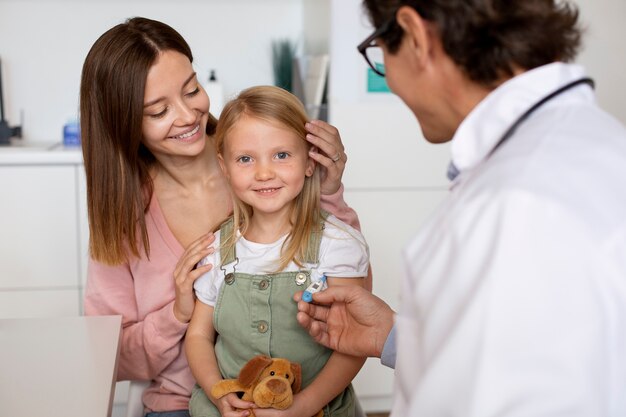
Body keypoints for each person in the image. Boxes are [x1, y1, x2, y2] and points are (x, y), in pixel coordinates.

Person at [296, 1, 626, 416]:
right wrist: (395, 336)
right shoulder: (593, 146)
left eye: (380, 53)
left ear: (414, 34)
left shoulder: (518, 205)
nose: (392, 84)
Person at [80, 17, 364, 417]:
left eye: (192, 90)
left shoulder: (262, 168)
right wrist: (178, 313)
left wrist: (330, 191)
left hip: (296, 396)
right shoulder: (123, 216)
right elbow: (108, 354)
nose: (187, 115)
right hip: (183, 403)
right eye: (159, 110)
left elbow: (348, 280)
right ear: (124, 124)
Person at [185, 85, 369, 417]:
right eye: (245, 159)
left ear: (310, 162)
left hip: (318, 410)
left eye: (281, 155)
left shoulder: (339, 244)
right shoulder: (217, 249)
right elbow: (198, 335)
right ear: (225, 167)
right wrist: (216, 392)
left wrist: (306, 405)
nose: (264, 172)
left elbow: (354, 345)